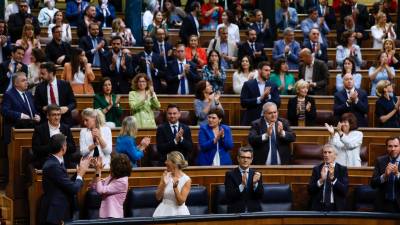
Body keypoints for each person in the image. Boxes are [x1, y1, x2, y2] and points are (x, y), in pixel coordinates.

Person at [38, 134, 90, 225]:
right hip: (55, 213)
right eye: (66, 144)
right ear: (63, 148)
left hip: (59, 210)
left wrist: (78, 174)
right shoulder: (53, 165)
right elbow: (73, 189)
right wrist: (81, 174)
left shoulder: (56, 162)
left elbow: (65, 183)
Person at [32, 104, 77, 169]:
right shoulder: (40, 129)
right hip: (46, 162)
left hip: (64, 162)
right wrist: (54, 145)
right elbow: (36, 149)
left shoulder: (66, 128)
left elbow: (73, 148)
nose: (57, 118)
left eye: (58, 115)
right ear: (47, 116)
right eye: (54, 115)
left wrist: (64, 142)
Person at [1, 72, 40, 145]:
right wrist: (20, 115)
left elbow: (33, 110)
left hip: (31, 128)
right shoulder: (9, 94)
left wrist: (38, 116)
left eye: (26, 80)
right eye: (23, 80)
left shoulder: (28, 94)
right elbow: (4, 111)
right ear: (16, 83)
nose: (26, 82)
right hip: (15, 129)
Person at [307, 144, 349, 211]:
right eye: (325, 152)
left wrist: (333, 178)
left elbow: (344, 191)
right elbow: (310, 190)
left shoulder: (342, 169)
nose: (326, 155)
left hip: (336, 207)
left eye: (329, 152)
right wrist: (321, 180)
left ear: (335, 155)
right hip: (319, 206)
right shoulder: (317, 169)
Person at [35, 62, 77, 127]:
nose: (41, 76)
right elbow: (36, 105)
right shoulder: (39, 87)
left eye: (43, 74)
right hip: (47, 120)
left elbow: (73, 103)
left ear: (51, 73)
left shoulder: (65, 85)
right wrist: (43, 108)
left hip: (64, 119)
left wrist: (67, 108)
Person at [225, 146, 264, 213]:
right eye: (243, 157)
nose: (245, 160)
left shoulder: (257, 174)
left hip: (254, 212)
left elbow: (260, 196)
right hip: (236, 212)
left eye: (248, 158)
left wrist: (255, 184)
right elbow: (229, 196)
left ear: (251, 160)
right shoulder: (230, 175)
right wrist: (242, 185)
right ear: (238, 158)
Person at [240, 61, 280, 126]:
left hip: (269, 121)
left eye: (269, 71)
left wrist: (268, 97)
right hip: (251, 119)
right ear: (259, 71)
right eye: (266, 70)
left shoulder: (273, 85)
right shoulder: (248, 84)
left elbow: (278, 103)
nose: (268, 73)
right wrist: (260, 99)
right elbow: (243, 103)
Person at [91, 154, 130, 218]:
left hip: (114, 216)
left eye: (111, 165)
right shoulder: (112, 176)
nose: (110, 167)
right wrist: (97, 171)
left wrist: (98, 172)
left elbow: (100, 190)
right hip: (105, 216)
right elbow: (94, 186)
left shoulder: (122, 182)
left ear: (117, 167)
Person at [153, 151, 191, 217]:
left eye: (167, 160)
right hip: (163, 211)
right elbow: (158, 197)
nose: (165, 162)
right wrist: (163, 184)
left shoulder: (186, 180)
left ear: (174, 164)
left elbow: (180, 202)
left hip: (179, 213)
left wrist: (175, 188)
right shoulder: (165, 175)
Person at [370, 136, 400, 212]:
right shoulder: (380, 161)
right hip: (383, 204)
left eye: (396, 146)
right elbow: (373, 184)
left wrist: (397, 174)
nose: (393, 149)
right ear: (386, 148)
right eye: (390, 146)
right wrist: (385, 176)